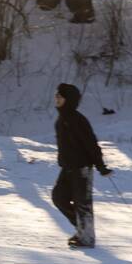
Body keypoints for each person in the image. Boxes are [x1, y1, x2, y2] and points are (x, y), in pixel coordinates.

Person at [52, 83, 112, 249]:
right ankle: (82, 229)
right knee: (58, 197)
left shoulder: (77, 120)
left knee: (82, 204)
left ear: (68, 99)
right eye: (56, 96)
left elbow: (91, 144)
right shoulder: (61, 119)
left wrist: (101, 166)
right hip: (67, 168)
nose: (56, 99)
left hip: (82, 169)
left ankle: (86, 238)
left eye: (59, 96)